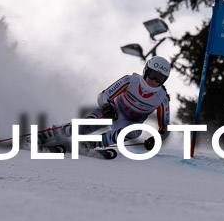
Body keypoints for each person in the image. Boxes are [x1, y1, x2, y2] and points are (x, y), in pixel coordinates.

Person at [33, 55, 171, 152]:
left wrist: (156, 139)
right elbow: (104, 95)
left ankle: (92, 143)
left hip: (129, 122)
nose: (154, 80)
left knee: (134, 132)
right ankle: (52, 134)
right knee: (85, 126)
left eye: (160, 78)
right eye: (152, 74)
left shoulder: (161, 99)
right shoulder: (130, 81)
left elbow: (164, 128)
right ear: (146, 70)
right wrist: (106, 107)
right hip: (113, 112)